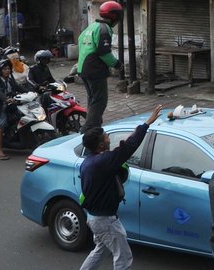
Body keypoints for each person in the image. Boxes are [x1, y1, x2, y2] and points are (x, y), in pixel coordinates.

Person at [79, 104, 163, 270]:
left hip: (96, 218)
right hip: (105, 220)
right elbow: (127, 148)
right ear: (101, 145)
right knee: (124, 258)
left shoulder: (90, 161)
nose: (109, 138)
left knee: (100, 251)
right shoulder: (102, 162)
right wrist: (146, 124)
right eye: (106, 137)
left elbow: (122, 149)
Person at [77, 1, 123, 134]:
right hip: (95, 69)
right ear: (114, 16)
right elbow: (104, 52)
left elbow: (81, 44)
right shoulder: (104, 29)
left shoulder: (91, 27)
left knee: (92, 100)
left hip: (84, 69)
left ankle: (94, 127)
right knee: (100, 101)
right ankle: (88, 131)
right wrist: (116, 64)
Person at [0, 59, 27, 160]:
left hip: (10, 106)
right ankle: (0, 152)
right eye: (5, 69)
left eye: (9, 69)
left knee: (23, 117)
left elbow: (19, 88)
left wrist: (31, 92)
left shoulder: (9, 80)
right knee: (0, 129)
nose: (8, 71)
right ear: (0, 71)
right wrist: (6, 99)